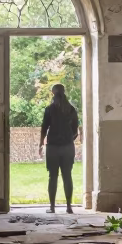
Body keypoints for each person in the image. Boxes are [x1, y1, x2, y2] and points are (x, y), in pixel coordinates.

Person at [38, 83, 80, 214]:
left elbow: (44, 128)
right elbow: (75, 131)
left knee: (53, 176)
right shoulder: (71, 110)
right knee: (67, 176)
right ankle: (69, 207)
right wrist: (67, 140)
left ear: (53, 94)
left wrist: (41, 144)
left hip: (53, 148)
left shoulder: (49, 109)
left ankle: (52, 207)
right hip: (68, 147)